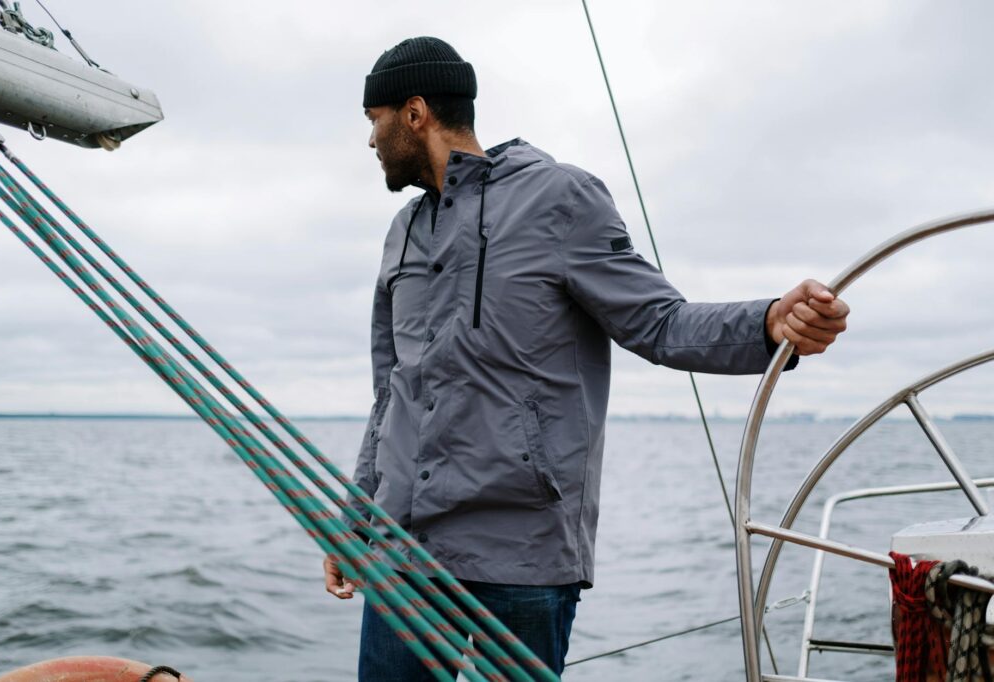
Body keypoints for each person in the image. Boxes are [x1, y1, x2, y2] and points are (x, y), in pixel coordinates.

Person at [323, 36, 850, 680]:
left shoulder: (559, 199)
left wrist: (769, 324)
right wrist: (356, 518)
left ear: (414, 113)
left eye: (373, 121)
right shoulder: (402, 232)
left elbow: (660, 322)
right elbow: (392, 396)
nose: (370, 140)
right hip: (402, 554)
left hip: (520, 555)